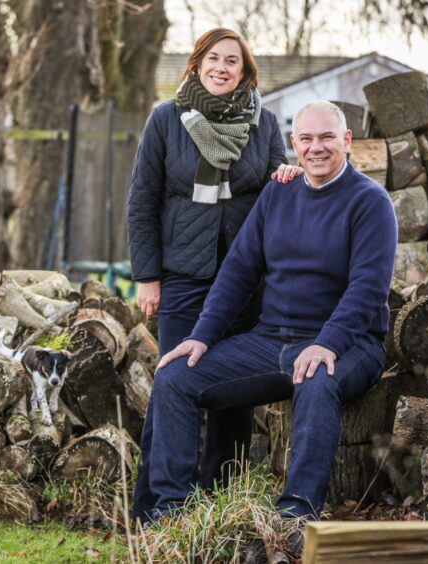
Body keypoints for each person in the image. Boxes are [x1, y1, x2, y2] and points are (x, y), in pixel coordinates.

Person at [137, 100, 398, 522]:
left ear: (347, 141)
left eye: (328, 137)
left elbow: (367, 289)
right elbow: (239, 269)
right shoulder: (278, 192)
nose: (317, 148)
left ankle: (296, 515)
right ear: (294, 144)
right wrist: (202, 336)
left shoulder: (370, 202)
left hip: (351, 345)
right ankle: (173, 514)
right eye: (307, 139)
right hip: (270, 340)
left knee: (317, 379)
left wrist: (327, 344)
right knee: (174, 376)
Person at [126, 28, 301, 521]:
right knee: (173, 384)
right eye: (214, 58)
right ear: (197, 62)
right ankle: (156, 511)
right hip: (183, 274)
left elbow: (277, 182)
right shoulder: (166, 119)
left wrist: (284, 175)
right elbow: (142, 201)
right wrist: (147, 276)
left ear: (245, 73)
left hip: (245, 279)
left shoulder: (264, 123)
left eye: (234, 62)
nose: (222, 68)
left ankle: (219, 509)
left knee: (232, 392)